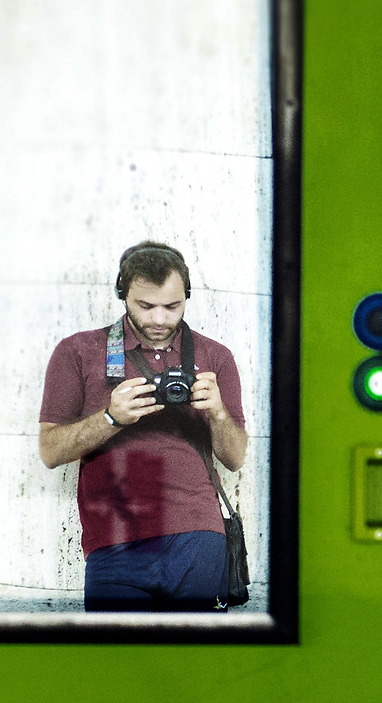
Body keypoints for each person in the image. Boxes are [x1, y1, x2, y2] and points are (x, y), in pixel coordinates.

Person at [39, 242, 249, 612]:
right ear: (123, 294)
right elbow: (51, 452)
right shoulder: (79, 351)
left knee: (195, 658)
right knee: (118, 662)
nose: (159, 320)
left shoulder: (215, 356)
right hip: (113, 537)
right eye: (145, 306)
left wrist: (217, 413)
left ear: (187, 296)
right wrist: (110, 418)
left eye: (172, 306)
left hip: (197, 531)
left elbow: (234, 459)